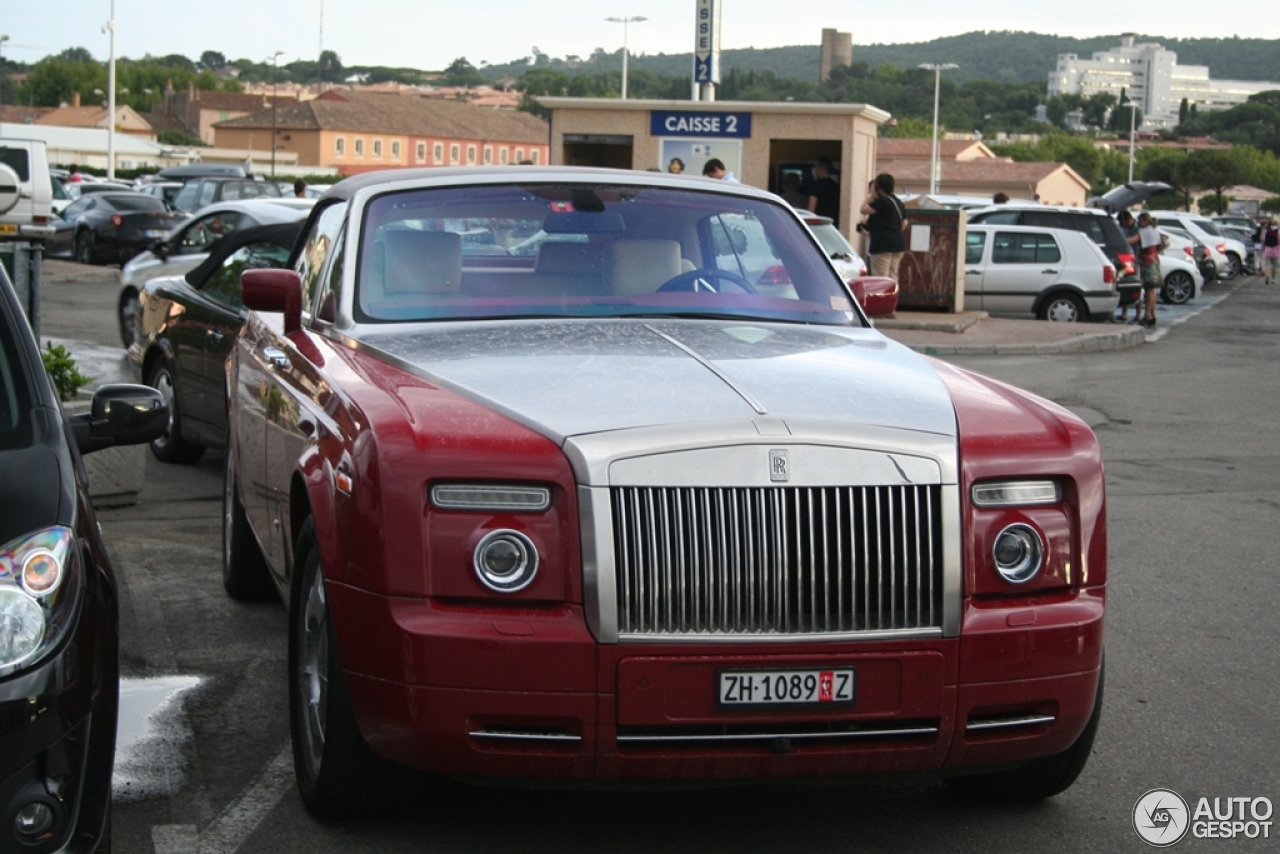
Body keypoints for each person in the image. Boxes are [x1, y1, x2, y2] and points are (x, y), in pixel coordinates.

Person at [858, 173, 908, 282]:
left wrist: (870, 196)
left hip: (882, 246)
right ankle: (893, 298)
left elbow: (863, 209)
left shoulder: (882, 202)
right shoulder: (898, 202)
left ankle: (883, 299)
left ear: (880, 188)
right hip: (898, 245)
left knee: (881, 279)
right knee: (893, 277)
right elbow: (903, 224)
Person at [1137, 212, 1163, 326]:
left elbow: (1133, 240)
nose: (1139, 223)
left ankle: (1147, 314)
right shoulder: (1155, 231)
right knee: (1152, 290)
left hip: (1147, 262)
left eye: (1140, 221)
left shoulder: (1145, 232)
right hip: (1155, 261)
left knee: (1149, 290)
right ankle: (1152, 314)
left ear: (1145, 221)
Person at [1116, 210, 1142, 323]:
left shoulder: (1138, 228)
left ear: (1128, 220)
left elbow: (1134, 239)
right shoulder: (1124, 228)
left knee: (1137, 287)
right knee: (1126, 286)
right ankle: (1124, 313)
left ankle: (1138, 315)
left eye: (1124, 223)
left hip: (1137, 261)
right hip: (1126, 261)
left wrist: (1122, 241)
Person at [805, 157, 841, 225]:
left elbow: (811, 209)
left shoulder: (816, 186)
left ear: (820, 169)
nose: (815, 170)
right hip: (833, 225)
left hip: (819, 225)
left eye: (815, 167)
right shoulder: (836, 187)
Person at [1262, 217, 1280, 286]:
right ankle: (1273, 279)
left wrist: (1264, 248)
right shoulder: (1278, 231)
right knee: (1275, 266)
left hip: (1268, 250)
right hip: (1276, 251)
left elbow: (1263, 240)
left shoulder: (1266, 231)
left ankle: (1267, 276)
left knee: (1267, 265)